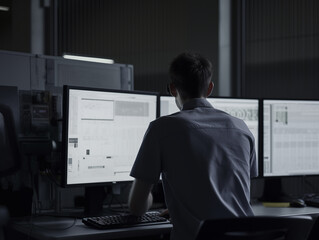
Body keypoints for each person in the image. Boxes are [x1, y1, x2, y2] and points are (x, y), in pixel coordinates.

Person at [128, 52, 257, 240]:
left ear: (172, 89)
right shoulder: (241, 127)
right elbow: (241, 191)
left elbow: (136, 207)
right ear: (210, 88)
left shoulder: (161, 129)